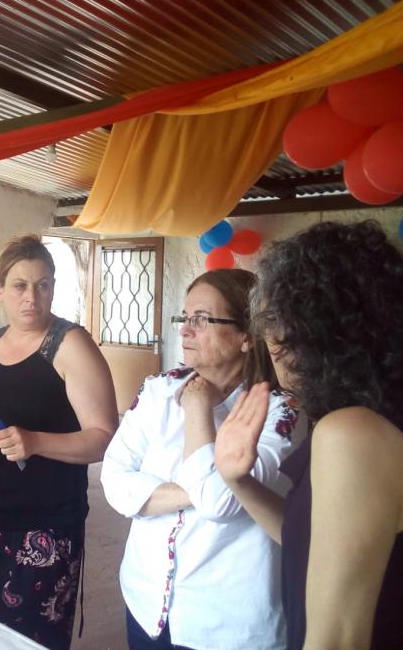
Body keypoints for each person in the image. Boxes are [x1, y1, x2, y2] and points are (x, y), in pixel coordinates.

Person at [215, 221, 403, 649]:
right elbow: (315, 540)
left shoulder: (354, 433)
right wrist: (236, 480)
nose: (275, 362)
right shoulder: (375, 418)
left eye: (276, 344)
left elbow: (336, 640)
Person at [101, 268, 306, 650]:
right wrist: (202, 485)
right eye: (185, 317)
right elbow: (113, 480)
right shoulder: (158, 390)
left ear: (246, 336)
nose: (184, 329)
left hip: (225, 624)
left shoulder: (281, 412)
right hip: (146, 603)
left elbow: (220, 503)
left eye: (202, 319)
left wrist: (198, 408)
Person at [0, 234, 118, 650]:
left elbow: (102, 439)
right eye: (19, 286)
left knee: (31, 639)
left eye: (43, 285)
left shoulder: (70, 345)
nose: (32, 297)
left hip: (42, 525)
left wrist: (35, 441)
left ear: (54, 287)